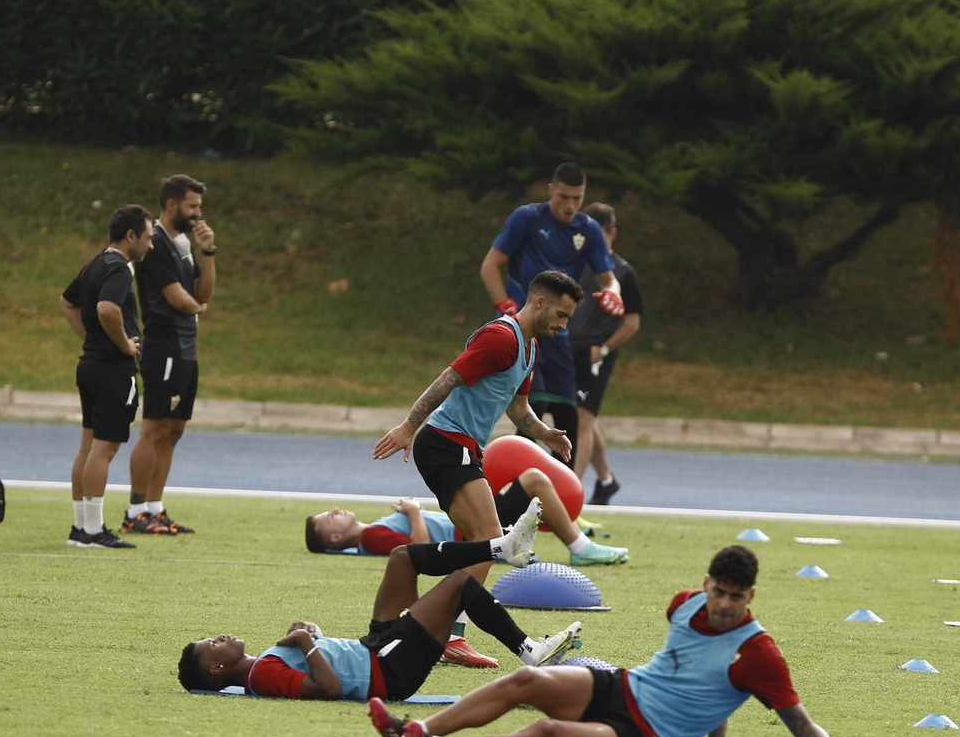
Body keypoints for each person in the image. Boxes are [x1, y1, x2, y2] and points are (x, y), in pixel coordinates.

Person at [367, 546, 852, 737]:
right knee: (526, 680)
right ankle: (422, 729)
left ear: (752, 596)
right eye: (719, 592)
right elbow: (701, 677)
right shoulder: (684, 603)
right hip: (622, 688)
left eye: (736, 597)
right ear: (706, 584)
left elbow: (799, 723)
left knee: (546, 735)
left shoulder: (760, 653)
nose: (724, 604)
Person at [178, 522, 584, 700]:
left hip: (375, 649)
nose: (223, 636)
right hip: (388, 671)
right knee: (460, 583)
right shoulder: (259, 675)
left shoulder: (263, 665)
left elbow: (325, 667)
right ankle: (528, 649)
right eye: (214, 644)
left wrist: (313, 637)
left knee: (402, 557)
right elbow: (330, 690)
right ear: (216, 669)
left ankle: (500, 548)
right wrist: (304, 641)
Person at [373, 269, 583, 586]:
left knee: (480, 545)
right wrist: (408, 427)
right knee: (489, 541)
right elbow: (447, 379)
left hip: (460, 447)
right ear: (540, 302)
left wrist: (544, 433)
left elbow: (518, 406)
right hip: (446, 443)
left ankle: (443, 625)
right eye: (561, 314)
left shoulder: (530, 346)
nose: (564, 324)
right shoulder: (501, 339)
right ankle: (438, 620)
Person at [478, 163, 624, 464]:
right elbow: (490, 265)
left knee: (567, 415)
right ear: (551, 191)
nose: (570, 205)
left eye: (577, 198)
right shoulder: (527, 218)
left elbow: (609, 278)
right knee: (534, 405)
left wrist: (613, 293)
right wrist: (504, 305)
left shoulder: (588, 230)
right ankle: (516, 488)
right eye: (564, 197)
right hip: (525, 331)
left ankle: (560, 502)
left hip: (556, 333)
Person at [125, 173, 217, 536]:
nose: (198, 213)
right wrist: (197, 307)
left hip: (186, 348)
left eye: (200, 206)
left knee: (174, 429)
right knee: (154, 427)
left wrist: (207, 251)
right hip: (163, 344)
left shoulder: (183, 243)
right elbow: (178, 298)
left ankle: (155, 508)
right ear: (172, 204)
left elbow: (202, 292)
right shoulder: (156, 243)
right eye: (192, 206)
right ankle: (135, 512)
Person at [59, 204, 154, 549]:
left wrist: (91, 339)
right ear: (131, 237)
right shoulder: (119, 268)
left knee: (88, 447)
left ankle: (81, 528)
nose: (151, 245)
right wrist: (123, 344)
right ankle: (94, 530)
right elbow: (106, 308)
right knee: (105, 448)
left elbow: (67, 302)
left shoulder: (96, 262)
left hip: (90, 365)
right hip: (113, 369)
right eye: (148, 238)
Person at [305, 472, 627, 566]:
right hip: (469, 533)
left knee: (530, 482)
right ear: (335, 539)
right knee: (534, 480)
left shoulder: (373, 530)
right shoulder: (369, 537)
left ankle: (515, 545)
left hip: (469, 528)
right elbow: (417, 549)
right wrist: (415, 511)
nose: (335, 511)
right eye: (328, 519)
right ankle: (579, 547)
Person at [570, 203, 642, 505]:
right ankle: (606, 480)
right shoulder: (574, 265)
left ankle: (566, 492)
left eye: (598, 236)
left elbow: (632, 321)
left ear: (611, 234)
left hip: (595, 355)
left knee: (582, 421)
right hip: (566, 350)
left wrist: (603, 349)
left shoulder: (623, 273)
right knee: (582, 417)